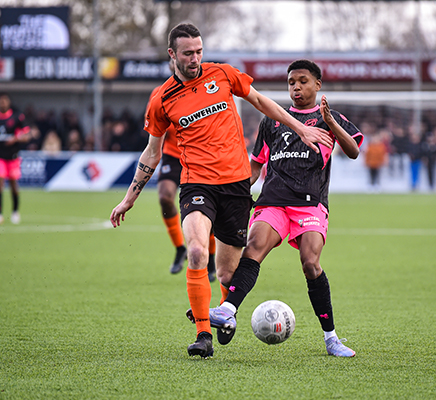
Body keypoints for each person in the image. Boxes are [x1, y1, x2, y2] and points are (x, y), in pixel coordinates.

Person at [109, 25, 333, 358]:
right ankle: (203, 335)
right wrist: (130, 196)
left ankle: (226, 315)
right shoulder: (161, 98)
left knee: (228, 273)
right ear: (172, 55)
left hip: (236, 187)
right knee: (198, 251)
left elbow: (260, 101)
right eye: (188, 53)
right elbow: (152, 151)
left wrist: (301, 128)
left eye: (199, 51)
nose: (195, 58)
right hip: (197, 185)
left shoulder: (223, 75)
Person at [191, 59, 363, 357]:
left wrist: (332, 123)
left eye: (303, 81)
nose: (296, 87)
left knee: (310, 262)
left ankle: (331, 338)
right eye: (291, 82)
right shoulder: (272, 120)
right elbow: (256, 166)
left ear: (317, 85)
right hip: (273, 200)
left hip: (310, 203)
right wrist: (237, 195)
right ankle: (227, 310)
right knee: (254, 246)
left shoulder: (330, 118)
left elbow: (354, 151)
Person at [147, 85, 216, 280]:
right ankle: (179, 248)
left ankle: (210, 257)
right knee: (164, 197)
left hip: (199, 157)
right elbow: (154, 127)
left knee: (206, 209)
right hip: (172, 155)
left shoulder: (205, 89)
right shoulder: (159, 93)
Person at [0, 93, 31, 225]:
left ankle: (15, 211)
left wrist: (16, 139)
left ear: (9, 102)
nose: (3, 103)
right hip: (0, 156)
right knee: (0, 184)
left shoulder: (17, 117)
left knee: (13, 185)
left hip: (13, 157)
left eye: (5, 101)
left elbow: (27, 135)